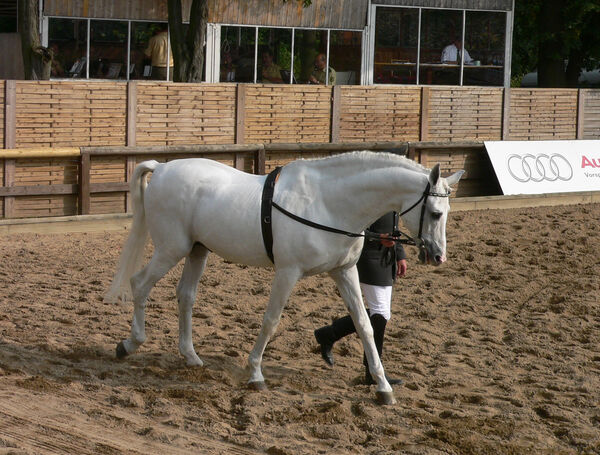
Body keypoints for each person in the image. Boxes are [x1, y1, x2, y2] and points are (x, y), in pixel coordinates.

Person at [314, 212, 407, 385]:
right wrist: (379, 238)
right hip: (367, 256)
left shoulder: (390, 189)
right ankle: (372, 370)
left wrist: (400, 254)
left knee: (381, 314)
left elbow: (393, 225)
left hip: (387, 257)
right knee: (379, 313)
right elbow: (353, 227)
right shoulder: (370, 188)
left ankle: (329, 334)